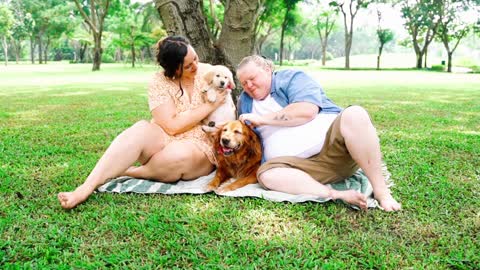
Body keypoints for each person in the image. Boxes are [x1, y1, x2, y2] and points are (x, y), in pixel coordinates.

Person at [58, 36, 227, 209]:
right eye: (188, 66)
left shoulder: (208, 73)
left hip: (198, 142)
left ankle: (129, 171)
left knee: (177, 156)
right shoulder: (158, 81)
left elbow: (227, 93)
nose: (195, 66)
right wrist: (208, 106)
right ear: (173, 69)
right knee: (140, 128)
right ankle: (85, 188)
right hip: (165, 135)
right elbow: (171, 126)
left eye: (195, 59)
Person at [236, 55, 401, 211]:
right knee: (266, 175)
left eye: (252, 78)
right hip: (295, 168)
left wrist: (262, 119)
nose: (248, 85)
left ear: (267, 69)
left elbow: (306, 111)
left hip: (334, 152)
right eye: (244, 83)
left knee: (355, 113)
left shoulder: (292, 78)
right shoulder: (244, 101)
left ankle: (382, 192)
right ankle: (336, 194)